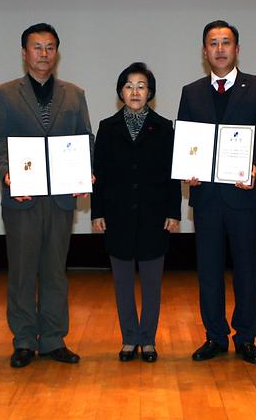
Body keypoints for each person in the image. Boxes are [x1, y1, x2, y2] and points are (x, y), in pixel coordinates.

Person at [0, 22, 94, 368]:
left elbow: (84, 139)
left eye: (50, 47)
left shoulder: (75, 94)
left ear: (57, 53)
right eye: (37, 47)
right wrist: (7, 175)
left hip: (61, 198)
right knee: (21, 270)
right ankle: (22, 341)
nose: (43, 54)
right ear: (24, 53)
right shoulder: (5, 93)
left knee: (54, 270)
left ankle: (52, 340)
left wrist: (84, 172)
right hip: (23, 198)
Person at [177, 20, 256, 365]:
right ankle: (215, 336)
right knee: (208, 270)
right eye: (213, 43)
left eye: (226, 43)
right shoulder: (190, 92)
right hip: (206, 196)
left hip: (243, 193)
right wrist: (187, 170)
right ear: (204, 51)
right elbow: (186, 140)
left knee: (247, 269)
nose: (220, 49)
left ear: (237, 49)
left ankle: (246, 338)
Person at [91, 62, 181, 363]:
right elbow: (98, 173)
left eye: (141, 86)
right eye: (129, 86)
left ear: (150, 92)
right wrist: (97, 212)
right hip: (117, 217)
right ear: (120, 91)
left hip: (155, 217)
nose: (135, 91)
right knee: (123, 284)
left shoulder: (165, 127)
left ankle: (149, 340)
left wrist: (174, 211)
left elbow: (173, 174)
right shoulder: (107, 127)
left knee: (153, 285)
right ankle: (129, 339)